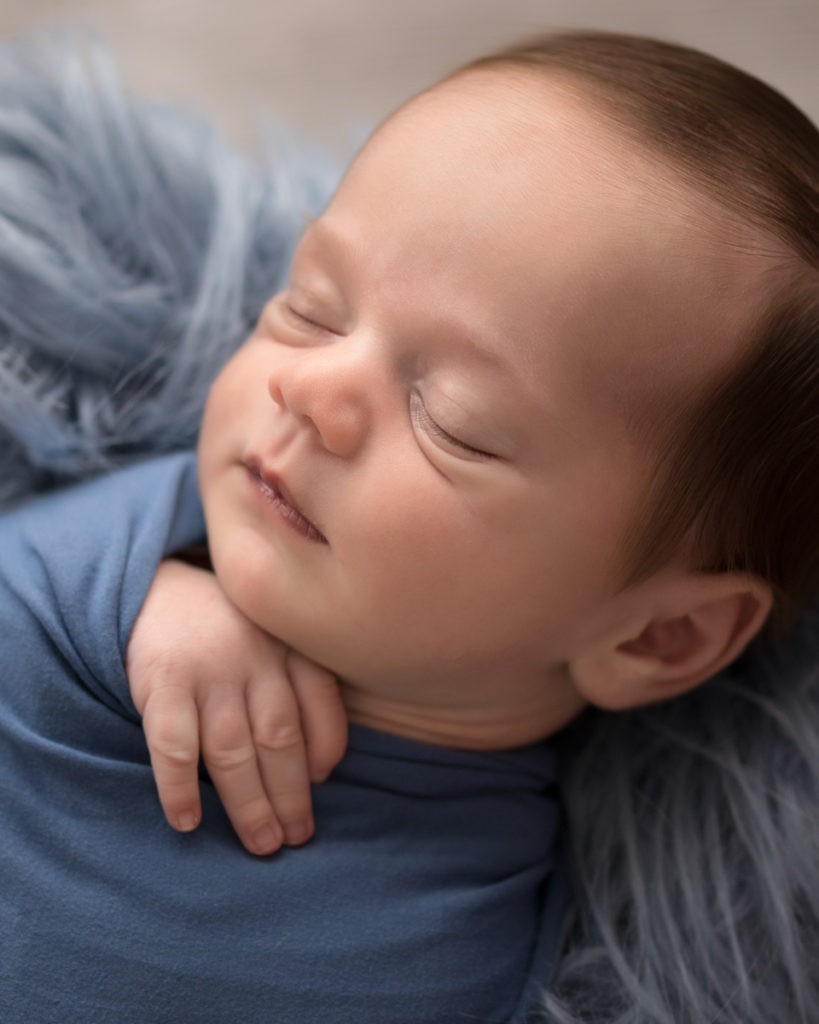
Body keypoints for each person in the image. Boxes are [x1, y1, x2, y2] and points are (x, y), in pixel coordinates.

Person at [1, 27, 818, 1024]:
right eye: (311, 307)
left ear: (659, 634)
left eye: (455, 422)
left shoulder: (473, 941)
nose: (308, 389)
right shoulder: (117, 553)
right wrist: (140, 597)